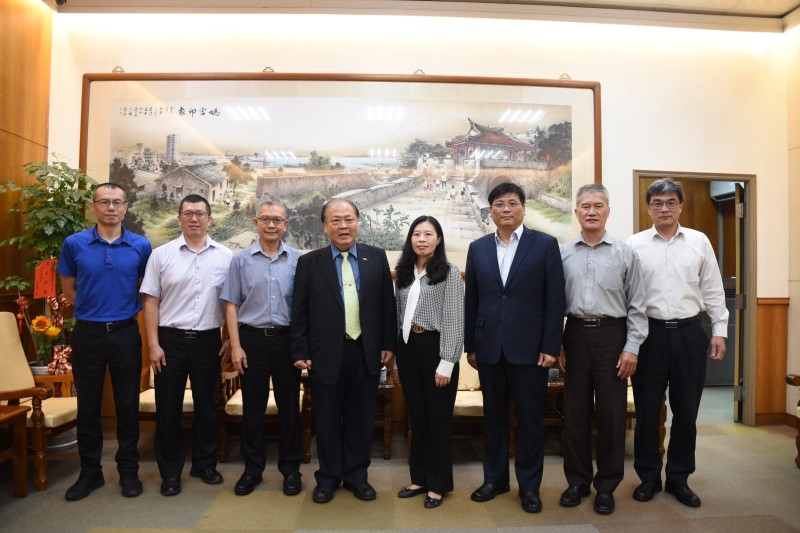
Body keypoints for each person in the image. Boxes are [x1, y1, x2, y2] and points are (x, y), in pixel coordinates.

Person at [627, 177, 728, 508]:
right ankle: (648, 477)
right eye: (657, 203)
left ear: (681, 206)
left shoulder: (698, 241)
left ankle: (679, 479)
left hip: (689, 334)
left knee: (686, 413)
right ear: (648, 208)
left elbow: (712, 288)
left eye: (671, 202)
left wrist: (720, 330)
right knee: (646, 412)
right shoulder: (635, 245)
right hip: (649, 336)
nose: (664, 208)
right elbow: (627, 294)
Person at [464, 182, 565, 514]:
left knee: (530, 420)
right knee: (493, 419)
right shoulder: (478, 248)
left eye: (511, 203)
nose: (505, 209)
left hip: (531, 350)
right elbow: (472, 299)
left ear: (523, 208)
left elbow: (555, 300)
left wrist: (551, 345)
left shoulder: (545, 245)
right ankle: (494, 480)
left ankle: (529, 487)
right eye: (499, 204)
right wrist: (471, 345)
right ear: (491, 211)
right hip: (489, 348)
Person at [291, 198, 397, 504]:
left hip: (365, 352)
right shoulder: (310, 263)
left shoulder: (376, 258)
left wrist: (388, 344)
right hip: (324, 354)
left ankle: (356, 477)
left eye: (349, 219)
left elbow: (386, 306)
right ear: (325, 226)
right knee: (326, 420)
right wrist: (299, 349)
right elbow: (299, 311)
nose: (343, 226)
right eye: (335, 220)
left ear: (358, 222)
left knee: (360, 420)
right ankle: (327, 478)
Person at [57, 183, 152, 501]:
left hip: (125, 332)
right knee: (88, 405)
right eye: (104, 202)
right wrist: (92, 312)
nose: (111, 207)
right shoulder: (74, 244)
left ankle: (129, 471)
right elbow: (69, 288)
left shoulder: (140, 245)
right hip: (88, 333)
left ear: (126, 207)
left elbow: (143, 286)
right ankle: (90, 472)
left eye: (117, 202)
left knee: (127, 404)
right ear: (93, 206)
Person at [557, 184, 648, 515]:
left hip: (613, 337)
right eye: (585, 206)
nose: (591, 211)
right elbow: (553, 303)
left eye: (598, 205)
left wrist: (632, 347)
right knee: (575, 414)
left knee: (612, 416)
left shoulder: (625, 254)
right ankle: (577, 482)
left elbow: (638, 305)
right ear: (576, 212)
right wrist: (557, 344)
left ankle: (607, 485)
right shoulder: (562, 254)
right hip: (574, 335)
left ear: (608, 210)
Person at [140, 194, 232, 496]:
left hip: (209, 341)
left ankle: (204, 465)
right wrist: (153, 345)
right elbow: (150, 302)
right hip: (170, 341)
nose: (194, 219)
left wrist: (229, 338)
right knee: (169, 409)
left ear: (210, 219)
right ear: (179, 218)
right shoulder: (161, 255)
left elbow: (233, 303)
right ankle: (170, 473)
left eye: (200, 213)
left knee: (207, 406)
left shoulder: (225, 256)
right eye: (188, 213)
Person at [220, 195, 303, 497]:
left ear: (286, 224)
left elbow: (305, 307)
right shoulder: (240, 260)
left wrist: (303, 347)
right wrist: (236, 346)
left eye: (277, 220)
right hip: (251, 341)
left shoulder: (298, 260)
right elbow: (231, 304)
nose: (271, 224)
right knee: (252, 409)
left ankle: (291, 470)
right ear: (255, 223)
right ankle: (252, 470)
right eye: (265, 219)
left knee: (289, 409)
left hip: (287, 341)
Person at [394, 216, 464, 509]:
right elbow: (398, 317)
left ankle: (438, 484)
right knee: (418, 419)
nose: (421, 239)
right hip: (408, 349)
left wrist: (447, 362)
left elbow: (454, 319)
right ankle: (419, 478)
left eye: (428, 234)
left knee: (438, 421)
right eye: (416, 234)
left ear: (438, 239)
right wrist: (397, 361)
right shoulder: (404, 272)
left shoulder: (449, 272)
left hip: (436, 348)